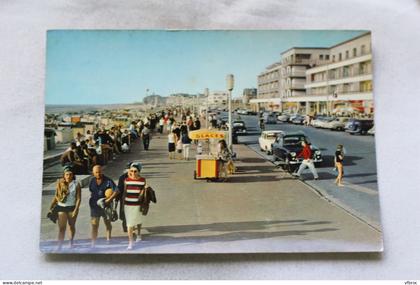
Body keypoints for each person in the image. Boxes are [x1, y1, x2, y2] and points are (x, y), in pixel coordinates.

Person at [48, 165, 81, 250]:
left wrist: (76, 210)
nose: (68, 176)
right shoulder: (60, 183)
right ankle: (59, 246)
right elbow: (56, 196)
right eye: (67, 174)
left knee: (71, 226)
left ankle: (71, 242)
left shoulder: (76, 184)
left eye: (70, 174)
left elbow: (78, 198)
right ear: (64, 175)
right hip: (61, 207)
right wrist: (51, 206)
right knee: (62, 228)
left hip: (72, 207)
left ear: (73, 175)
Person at [88, 165, 119, 248]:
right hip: (95, 205)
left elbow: (116, 190)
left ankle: (108, 239)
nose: (98, 174)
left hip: (106, 205)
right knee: (94, 225)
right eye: (96, 172)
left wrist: (109, 199)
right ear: (93, 173)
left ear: (102, 171)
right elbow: (91, 191)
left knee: (107, 223)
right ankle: (93, 243)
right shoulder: (92, 181)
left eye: (100, 172)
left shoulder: (108, 180)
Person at [122, 163, 146, 250]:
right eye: (131, 171)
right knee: (130, 224)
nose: (133, 173)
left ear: (139, 171)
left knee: (138, 220)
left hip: (138, 205)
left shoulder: (143, 180)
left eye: (135, 171)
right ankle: (130, 242)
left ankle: (139, 234)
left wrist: (144, 192)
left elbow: (144, 192)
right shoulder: (126, 180)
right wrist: (122, 204)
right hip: (128, 205)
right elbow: (124, 193)